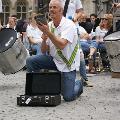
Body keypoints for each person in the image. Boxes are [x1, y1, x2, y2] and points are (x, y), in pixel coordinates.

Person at [26, 0, 83, 102]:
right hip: (54, 61)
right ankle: (38, 86)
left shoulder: (69, 25)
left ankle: (79, 84)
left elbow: (61, 45)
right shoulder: (50, 25)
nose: (51, 10)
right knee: (31, 61)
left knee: (68, 97)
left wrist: (47, 32)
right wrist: (43, 39)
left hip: (67, 64)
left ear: (61, 10)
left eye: (54, 7)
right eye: (50, 7)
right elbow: (43, 51)